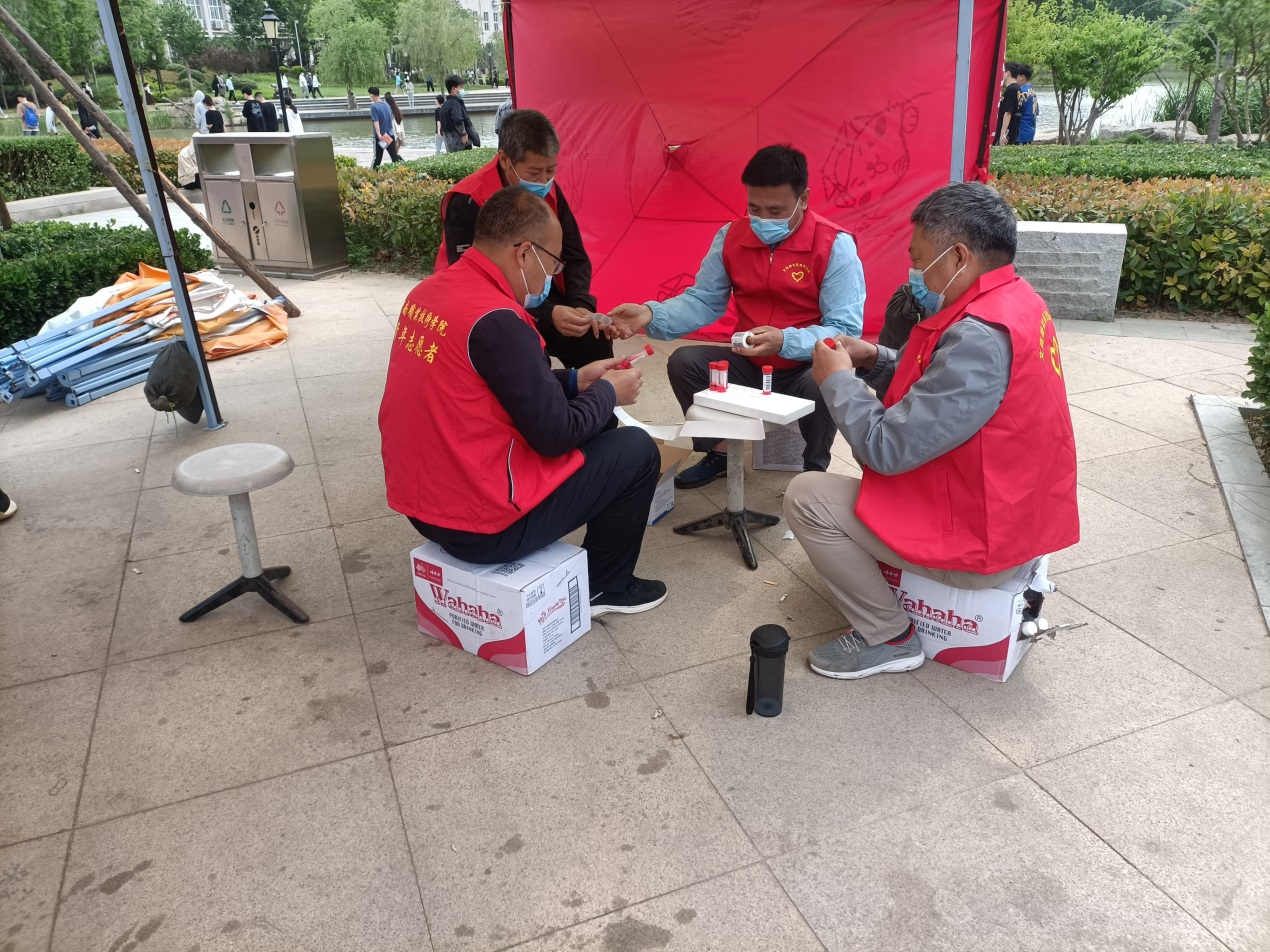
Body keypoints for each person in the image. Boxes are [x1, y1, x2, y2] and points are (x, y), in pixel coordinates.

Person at [784, 181, 1079, 681]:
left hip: (983, 540)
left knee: (806, 495)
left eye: (920, 260)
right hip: (1008, 514)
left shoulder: (978, 335)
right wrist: (874, 359)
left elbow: (885, 448)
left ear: (959, 256)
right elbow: (941, 387)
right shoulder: (1016, 301)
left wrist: (837, 380)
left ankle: (889, 636)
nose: (917, 274)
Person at [379, 186, 668, 616]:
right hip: (481, 527)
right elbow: (555, 435)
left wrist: (577, 380)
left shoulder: (429, 292)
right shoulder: (499, 318)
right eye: (553, 263)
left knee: (598, 419)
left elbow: (493, 384)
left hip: (422, 506)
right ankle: (606, 586)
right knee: (636, 449)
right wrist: (610, 392)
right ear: (525, 253)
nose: (551, 276)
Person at [608, 144, 866, 484]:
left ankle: (813, 471)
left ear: (803, 199)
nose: (763, 220)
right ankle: (719, 453)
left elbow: (844, 330)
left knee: (827, 380)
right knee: (685, 363)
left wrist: (784, 341)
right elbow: (704, 300)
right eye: (754, 208)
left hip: (805, 366)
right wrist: (649, 315)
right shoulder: (731, 236)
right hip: (750, 362)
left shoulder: (834, 245)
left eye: (776, 210)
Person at [435, 110, 614, 369]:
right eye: (533, 172)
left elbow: (574, 255)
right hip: (490, 306)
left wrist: (580, 306)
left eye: (550, 170)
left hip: (541, 294)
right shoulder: (468, 200)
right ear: (504, 160)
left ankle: (604, 394)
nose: (543, 182)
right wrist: (547, 314)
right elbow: (470, 283)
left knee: (593, 340)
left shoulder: (549, 190)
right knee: (529, 356)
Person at [439, 74, 477, 152]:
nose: (462, 90)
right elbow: (458, 120)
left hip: (450, 144)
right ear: (453, 89)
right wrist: (464, 134)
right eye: (460, 87)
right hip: (460, 143)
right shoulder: (454, 104)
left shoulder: (445, 105)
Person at [367, 87, 401, 168]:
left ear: (372, 95)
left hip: (381, 137)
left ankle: (373, 173)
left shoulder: (374, 106)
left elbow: (376, 121)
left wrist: (379, 134)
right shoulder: (387, 105)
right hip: (389, 135)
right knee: (394, 155)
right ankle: (402, 169)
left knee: (378, 157)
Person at [994, 61, 1021, 146]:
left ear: (1008, 73)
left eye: (1003, 71)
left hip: (1007, 133)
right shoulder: (1018, 89)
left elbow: (1008, 112)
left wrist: (1003, 133)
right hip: (1014, 130)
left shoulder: (1011, 90)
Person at [1015, 64, 1038, 145]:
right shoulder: (1032, 91)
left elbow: (1014, 113)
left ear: (1022, 77)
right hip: (1030, 130)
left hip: (1021, 132)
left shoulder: (1021, 92)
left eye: (1016, 76)